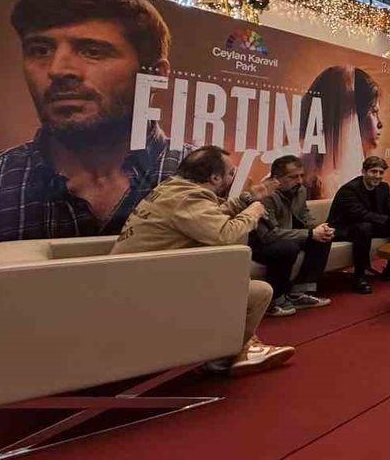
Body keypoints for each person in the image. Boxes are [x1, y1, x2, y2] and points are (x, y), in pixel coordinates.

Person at [0, 0, 187, 241]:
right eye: (40, 51)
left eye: (92, 52)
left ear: (155, 75)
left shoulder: (212, 177)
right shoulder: (1, 178)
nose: (57, 70)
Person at [111, 146, 294, 375]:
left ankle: (240, 348)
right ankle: (225, 353)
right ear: (215, 178)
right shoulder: (188, 198)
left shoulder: (173, 189)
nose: (232, 177)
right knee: (259, 292)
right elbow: (225, 234)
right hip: (146, 290)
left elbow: (208, 217)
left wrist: (247, 199)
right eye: (231, 173)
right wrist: (255, 210)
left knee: (226, 278)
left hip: (134, 280)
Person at [254, 155, 334, 316]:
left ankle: (299, 293)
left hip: (286, 236)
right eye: (293, 177)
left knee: (323, 238)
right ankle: (274, 299)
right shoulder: (266, 196)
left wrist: (318, 229)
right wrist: (310, 233)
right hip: (260, 243)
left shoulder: (300, 190)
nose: (300, 181)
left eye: (301, 176)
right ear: (276, 178)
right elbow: (270, 234)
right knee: (288, 248)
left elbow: (304, 215)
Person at [328, 156, 390, 294]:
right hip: (343, 228)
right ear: (364, 171)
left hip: (368, 225)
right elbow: (361, 214)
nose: (377, 176)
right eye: (373, 171)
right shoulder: (349, 190)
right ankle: (359, 277)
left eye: (381, 172)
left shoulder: (383, 187)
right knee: (364, 227)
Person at [299, 66, 383, 200]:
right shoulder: (316, 181)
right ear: (350, 118)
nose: (380, 123)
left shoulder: (355, 171)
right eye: (373, 112)